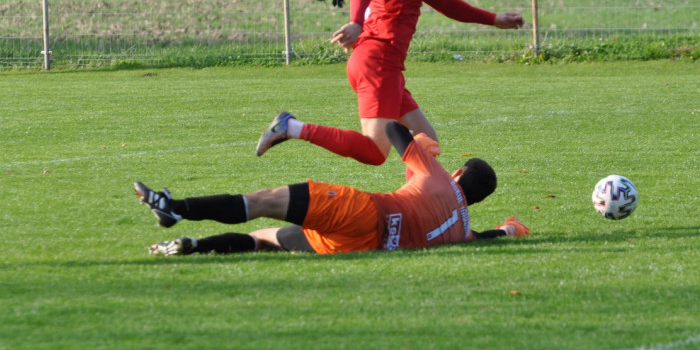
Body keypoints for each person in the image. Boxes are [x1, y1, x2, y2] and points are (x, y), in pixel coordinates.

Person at [255, 0, 525, 166]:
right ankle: (291, 128)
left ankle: (421, 205)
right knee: (374, 151)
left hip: (387, 65)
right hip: (377, 61)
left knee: (426, 142)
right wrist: (355, 22)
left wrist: (495, 19)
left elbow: (444, 3)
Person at [137, 121, 531, 256]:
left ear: (460, 172)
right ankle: (195, 246)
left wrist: (421, 141)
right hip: (362, 246)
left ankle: (176, 208)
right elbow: (485, 236)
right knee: (265, 239)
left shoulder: (439, 176)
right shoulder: (462, 231)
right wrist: (510, 229)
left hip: (363, 212)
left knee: (262, 203)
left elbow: (393, 130)